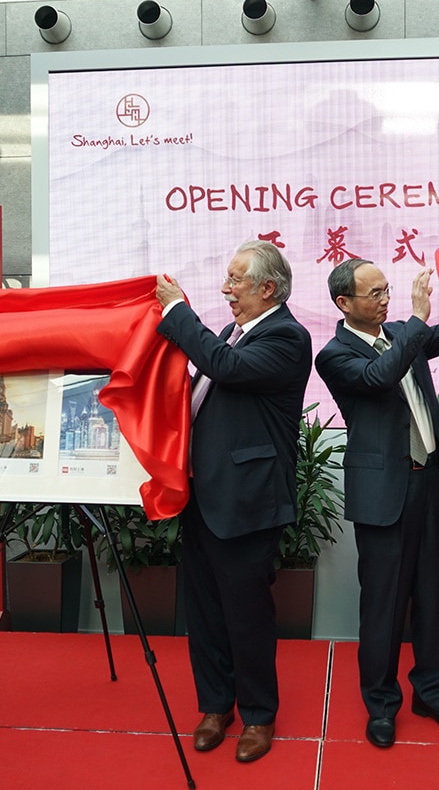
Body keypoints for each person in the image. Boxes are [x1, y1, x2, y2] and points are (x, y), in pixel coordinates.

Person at [154, 240, 312, 763]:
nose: (226, 290)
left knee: (247, 616)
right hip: (203, 494)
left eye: (235, 281)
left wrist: (178, 311)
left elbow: (226, 368)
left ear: (268, 288)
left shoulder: (288, 336)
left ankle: (259, 715)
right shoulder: (232, 332)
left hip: (247, 503)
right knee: (203, 611)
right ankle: (215, 705)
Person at [315, 259, 439, 749]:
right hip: (383, 493)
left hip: (427, 483)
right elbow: (381, 377)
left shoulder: (405, 334)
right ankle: (381, 705)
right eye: (375, 293)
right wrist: (418, 321)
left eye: (388, 290)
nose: (387, 299)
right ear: (344, 303)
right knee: (383, 605)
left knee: (432, 597)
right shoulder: (334, 355)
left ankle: (432, 693)